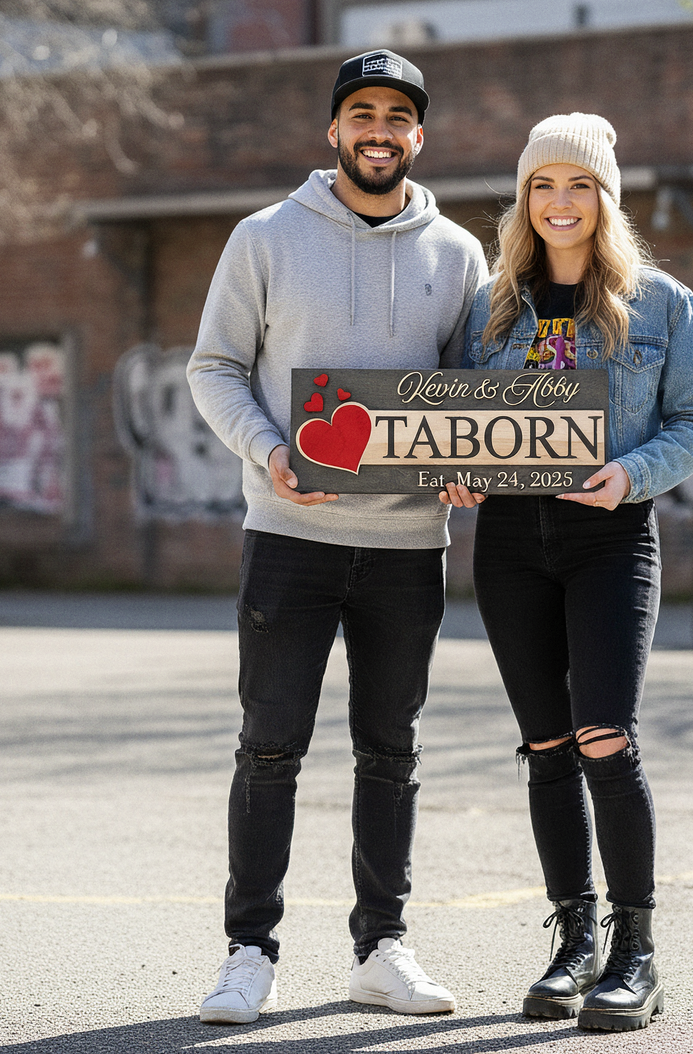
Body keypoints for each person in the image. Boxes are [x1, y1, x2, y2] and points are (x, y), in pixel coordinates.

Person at [186, 49, 487, 1025]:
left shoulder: (457, 253)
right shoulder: (265, 237)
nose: (378, 130)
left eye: (397, 116)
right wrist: (270, 450)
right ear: (333, 130)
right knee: (268, 745)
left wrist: (467, 462)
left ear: (418, 137)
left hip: (409, 545)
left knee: (389, 749)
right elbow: (214, 367)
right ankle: (248, 951)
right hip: (288, 533)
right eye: (361, 112)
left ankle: (381, 948)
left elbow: (467, 397)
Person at [445, 113, 693, 1031]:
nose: (559, 202)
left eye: (578, 186)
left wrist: (630, 475)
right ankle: (573, 946)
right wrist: (453, 469)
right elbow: (449, 417)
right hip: (511, 546)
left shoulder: (661, 304)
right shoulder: (488, 307)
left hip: (610, 539)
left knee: (603, 733)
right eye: (541, 186)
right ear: (524, 201)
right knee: (546, 748)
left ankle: (635, 952)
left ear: (606, 198)